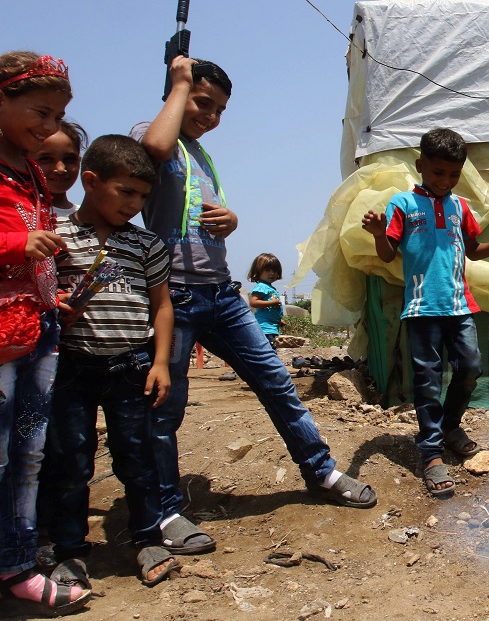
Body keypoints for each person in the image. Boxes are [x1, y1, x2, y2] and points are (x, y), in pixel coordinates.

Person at [130, 55, 376, 556]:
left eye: (220, 109)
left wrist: (234, 220)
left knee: (277, 382)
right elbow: (154, 146)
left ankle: (321, 471)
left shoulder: (201, 155)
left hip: (221, 293)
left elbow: (201, 215)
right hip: (170, 295)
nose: (211, 115)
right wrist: (178, 85)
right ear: (176, 92)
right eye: (202, 102)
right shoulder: (154, 136)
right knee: (165, 408)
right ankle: (165, 511)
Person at [40, 135, 180, 587]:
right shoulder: (57, 237)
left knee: (138, 457)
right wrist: (57, 304)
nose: (135, 204)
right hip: (71, 368)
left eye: (142, 195)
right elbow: (39, 296)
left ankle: (146, 538)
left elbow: (161, 306)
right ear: (91, 181)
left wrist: (160, 362)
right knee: (70, 461)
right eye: (126, 192)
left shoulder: (146, 245)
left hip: (130, 366)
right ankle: (69, 549)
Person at [361, 128, 489, 497]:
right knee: (427, 380)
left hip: (459, 304)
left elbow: (474, 251)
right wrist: (377, 233)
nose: (445, 181)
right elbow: (388, 255)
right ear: (420, 166)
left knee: (470, 367)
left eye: (453, 174)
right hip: (421, 307)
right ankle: (431, 452)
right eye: (437, 173)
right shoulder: (402, 204)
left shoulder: (460, 207)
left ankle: (450, 427)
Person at [0, 51, 90, 615]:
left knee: (26, 455)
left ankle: (15, 565)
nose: (49, 127)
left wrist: (50, 291)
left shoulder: (32, 172)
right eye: (40, 111)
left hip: (37, 333)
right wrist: (13, 246)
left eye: (57, 116)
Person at [29, 120, 87, 218]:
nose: (60, 169)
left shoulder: (88, 218)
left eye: (69, 159)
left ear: (79, 160)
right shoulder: (15, 215)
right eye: (46, 159)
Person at [247, 253, 284, 349]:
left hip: (270, 327)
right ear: (258, 272)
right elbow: (253, 302)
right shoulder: (261, 286)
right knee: (269, 350)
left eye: (274, 271)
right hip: (264, 328)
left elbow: (269, 310)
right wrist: (272, 302)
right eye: (267, 270)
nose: (272, 273)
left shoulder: (269, 287)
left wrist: (279, 320)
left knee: (269, 349)